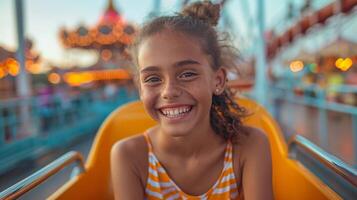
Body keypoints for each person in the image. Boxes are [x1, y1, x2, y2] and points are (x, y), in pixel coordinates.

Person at [111, 1, 273, 199]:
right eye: (153, 79)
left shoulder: (249, 146)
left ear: (218, 81)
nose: (168, 92)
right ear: (140, 89)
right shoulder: (129, 156)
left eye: (187, 74)